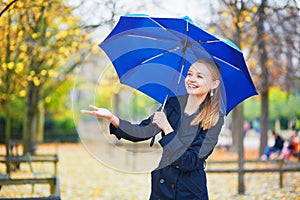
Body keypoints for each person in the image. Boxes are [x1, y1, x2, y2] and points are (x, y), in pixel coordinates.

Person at [81, 58, 224, 200]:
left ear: (214, 84)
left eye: (199, 76)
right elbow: (142, 131)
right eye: (189, 74)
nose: (191, 79)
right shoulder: (173, 104)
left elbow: (189, 161)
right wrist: (112, 118)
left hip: (190, 192)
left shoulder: (214, 118)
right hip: (163, 188)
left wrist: (167, 129)